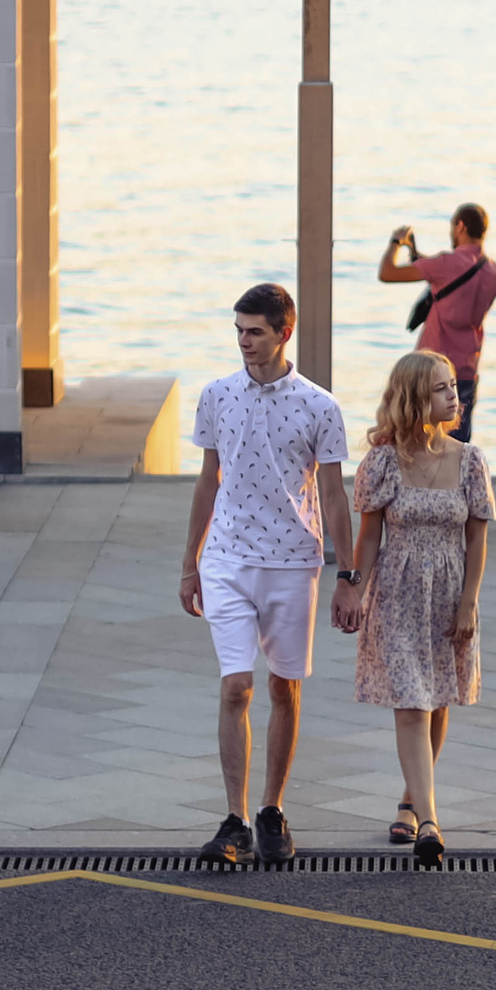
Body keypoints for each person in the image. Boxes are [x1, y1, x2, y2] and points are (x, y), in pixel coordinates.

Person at [180, 283, 352, 867]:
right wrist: (190, 563)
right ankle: (233, 820)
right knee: (236, 686)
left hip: (292, 563)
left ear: (285, 332)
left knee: (283, 687)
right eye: (238, 331)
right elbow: (208, 480)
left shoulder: (319, 406)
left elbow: (333, 494)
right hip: (225, 559)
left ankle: (272, 809)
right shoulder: (216, 395)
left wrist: (348, 574)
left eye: (254, 331)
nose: (244, 342)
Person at [334, 349, 492, 867]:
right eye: (442, 389)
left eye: (453, 386)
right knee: (411, 703)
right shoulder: (381, 463)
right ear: (413, 398)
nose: (455, 396)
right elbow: (370, 537)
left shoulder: (470, 460)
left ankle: (408, 801)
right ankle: (429, 820)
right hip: (398, 594)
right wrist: (354, 589)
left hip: (448, 592)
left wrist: (469, 604)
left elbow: (477, 540)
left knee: (438, 697)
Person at [377, 203, 496, 443]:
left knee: (416, 443)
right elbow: (456, 280)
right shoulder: (494, 271)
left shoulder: (445, 264)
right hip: (467, 368)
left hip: (430, 367)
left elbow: (387, 272)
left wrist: (396, 241)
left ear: (460, 226)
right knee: (457, 447)